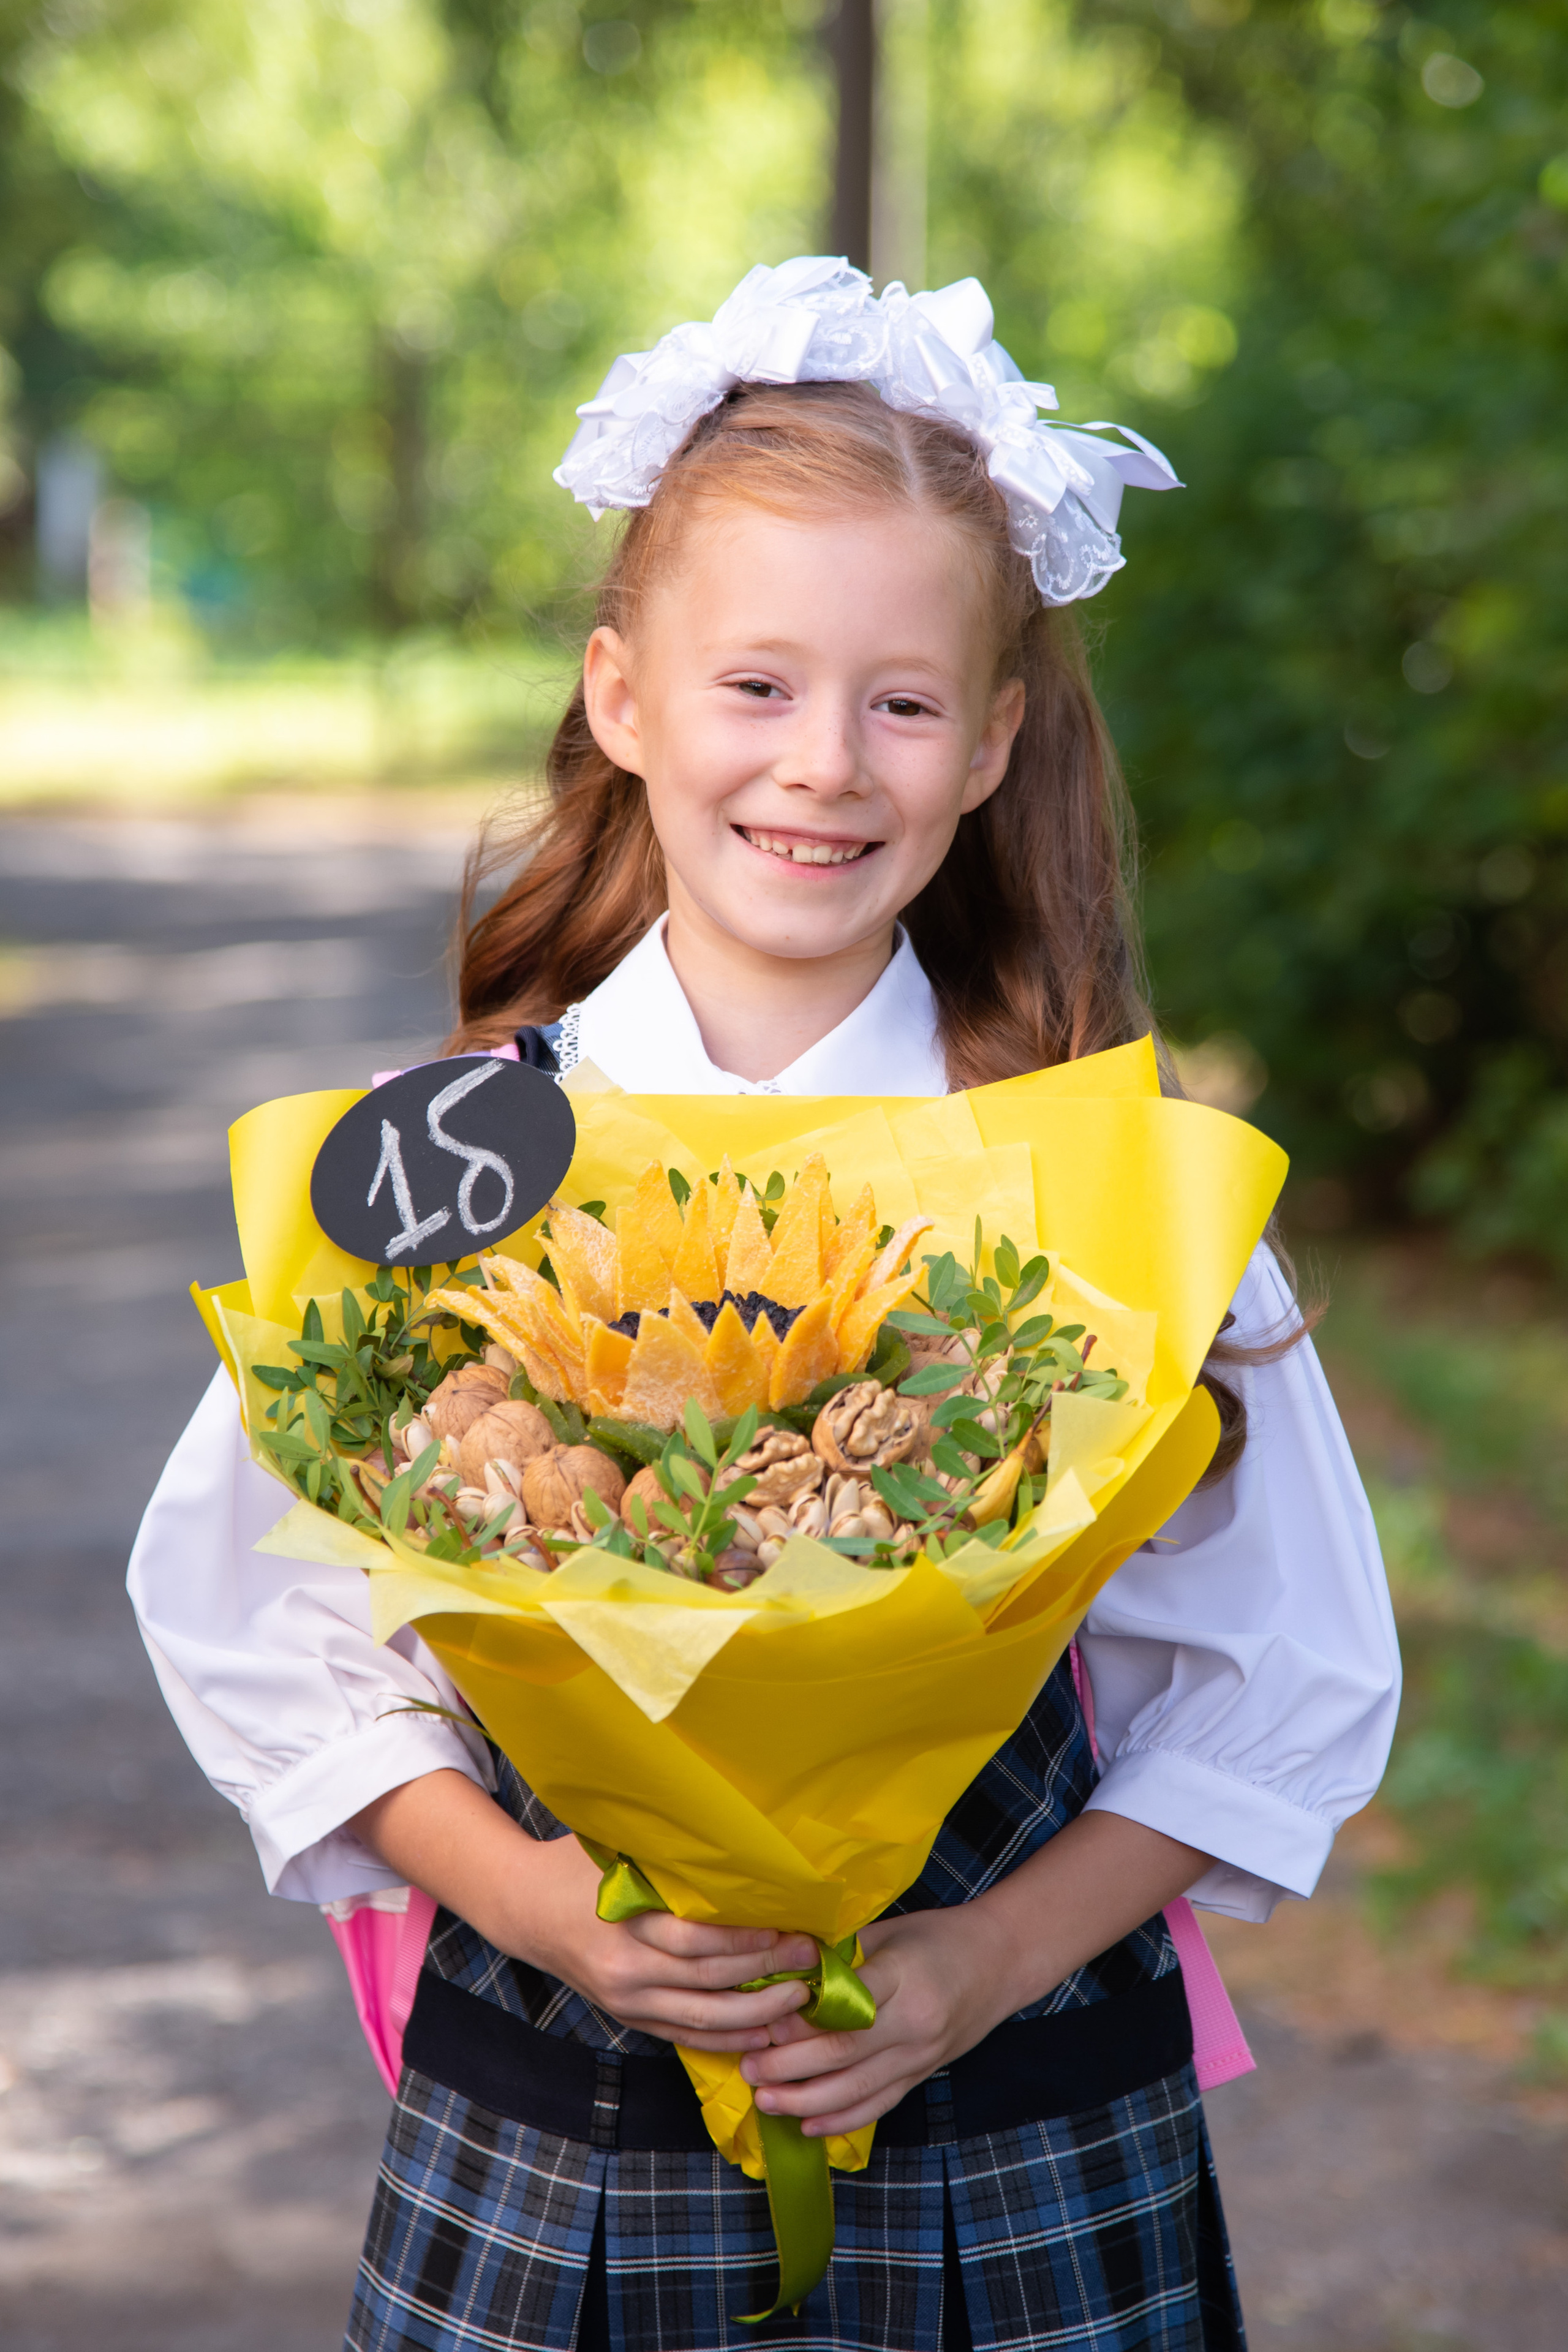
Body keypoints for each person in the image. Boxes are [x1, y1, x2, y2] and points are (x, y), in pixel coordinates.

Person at [129, 258, 1400, 2352]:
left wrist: (976, 1967)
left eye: (902, 701)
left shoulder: (1100, 1183)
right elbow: (253, 1625)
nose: (826, 764)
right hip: (559, 2139)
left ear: (990, 746)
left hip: (1017, 2135)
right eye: (757, 687)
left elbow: (1283, 1678)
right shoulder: (444, 1164)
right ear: (624, 699)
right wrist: (541, 1902)